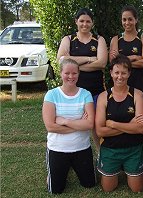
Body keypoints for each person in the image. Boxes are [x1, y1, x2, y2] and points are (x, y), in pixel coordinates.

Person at [57, 7, 108, 149]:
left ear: (92, 23)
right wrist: (89, 59)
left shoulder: (99, 39)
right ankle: (71, 153)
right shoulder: (68, 39)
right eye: (81, 21)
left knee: (97, 127)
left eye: (88, 21)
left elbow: (102, 63)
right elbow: (61, 60)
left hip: (96, 92)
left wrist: (73, 65)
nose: (84, 24)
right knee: (73, 123)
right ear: (76, 22)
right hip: (73, 93)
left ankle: (100, 155)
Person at [42, 58, 95, 194]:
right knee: (55, 190)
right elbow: (51, 127)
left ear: (78, 74)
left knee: (90, 184)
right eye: (67, 73)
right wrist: (79, 124)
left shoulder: (85, 94)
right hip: (57, 149)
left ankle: (68, 169)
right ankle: (55, 173)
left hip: (82, 148)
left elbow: (89, 124)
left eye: (74, 73)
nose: (71, 76)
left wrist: (65, 121)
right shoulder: (51, 95)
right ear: (61, 73)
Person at [95, 54, 143, 192]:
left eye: (124, 72)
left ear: (129, 73)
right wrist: (130, 125)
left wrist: (112, 124)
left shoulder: (137, 94)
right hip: (110, 149)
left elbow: (140, 128)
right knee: (108, 189)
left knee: (137, 189)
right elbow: (100, 131)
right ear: (111, 73)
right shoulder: (103, 97)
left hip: (133, 148)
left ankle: (133, 165)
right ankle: (107, 162)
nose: (120, 76)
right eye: (116, 72)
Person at [109, 5, 143, 100]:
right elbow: (113, 63)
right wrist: (134, 57)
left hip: (139, 89)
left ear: (136, 20)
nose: (127, 23)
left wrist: (121, 58)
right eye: (124, 19)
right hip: (118, 91)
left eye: (130, 19)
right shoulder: (116, 39)